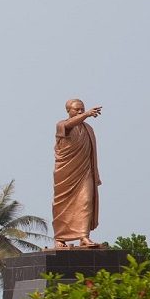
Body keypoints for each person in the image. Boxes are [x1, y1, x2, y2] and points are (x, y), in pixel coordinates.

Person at [53, 99, 102, 248]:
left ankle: (83, 236)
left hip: (85, 171)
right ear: (68, 111)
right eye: (77, 110)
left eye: (82, 109)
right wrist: (86, 115)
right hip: (65, 174)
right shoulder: (62, 125)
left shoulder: (88, 129)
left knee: (86, 201)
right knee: (62, 205)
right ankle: (60, 238)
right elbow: (69, 126)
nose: (80, 112)